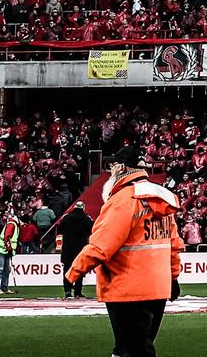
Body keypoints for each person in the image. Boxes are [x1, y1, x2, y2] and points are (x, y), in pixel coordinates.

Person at [67, 149, 182, 357]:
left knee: (133, 350)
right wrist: (173, 277)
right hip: (157, 286)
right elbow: (173, 244)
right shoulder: (161, 199)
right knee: (130, 348)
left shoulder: (123, 200)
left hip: (126, 287)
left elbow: (102, 244)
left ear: (121, 168)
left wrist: (73, 272)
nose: (111, 171)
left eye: (112, 166)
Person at [56, 202, 94, 299]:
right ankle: (78, 292)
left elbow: (59, 230)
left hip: (68, 248)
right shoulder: (86, 218)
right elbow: (92, 230)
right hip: (80, 248)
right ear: (83, 208)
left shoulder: (66, 217)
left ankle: (67, 291)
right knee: (79, 270)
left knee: (67, 270)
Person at [0, 204, 19, 295]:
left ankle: (4, 287)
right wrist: (9, 248)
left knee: (6, 270)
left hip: (7, 250)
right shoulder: (12, 224)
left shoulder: (13, 224)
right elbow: (7, 237)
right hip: (2, 249)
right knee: (0, 269)